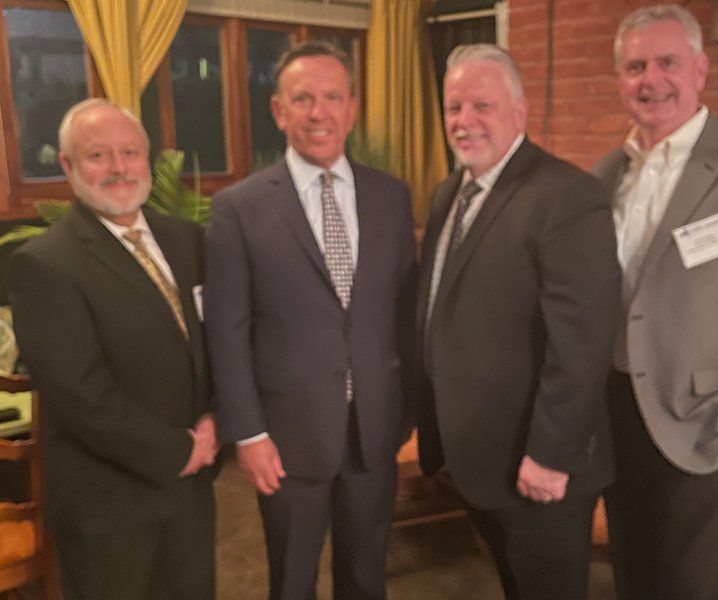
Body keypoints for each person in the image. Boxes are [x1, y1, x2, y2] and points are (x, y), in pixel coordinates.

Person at [595, 5, 718, 599]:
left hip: (702, 423)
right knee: (630, 573)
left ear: (700, 70)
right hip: (613, 415)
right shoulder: (605, 174)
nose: (651, 80)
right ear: (620, 79)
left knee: (690, 586)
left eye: (667, 62)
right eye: (635, 67)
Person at [203, 41, 416, 599]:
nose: (319, 112)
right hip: (285, 438)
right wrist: (249, 433)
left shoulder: (391, 197)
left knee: (366, 578)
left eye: (332, 97)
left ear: (352, 108)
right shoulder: (238, 208)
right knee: (292, 581)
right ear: (279, 111)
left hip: (374, 430)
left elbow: (404, 311)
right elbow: (227, 332)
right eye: (302, 99)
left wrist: (407, 410)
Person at [416, 44, 620, 600]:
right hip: (477, 458)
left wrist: (550, 456)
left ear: (519, 111)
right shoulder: (448, 194)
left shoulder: (568, 195)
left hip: (538, 464)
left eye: (482, 105)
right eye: (454, 107)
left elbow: (582, 343)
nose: (465, 120)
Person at [10, 98, 218, 600]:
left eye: (130, 152)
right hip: (109, 509)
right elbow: (80, 396)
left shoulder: (186, 240)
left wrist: (216, 417)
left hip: (189, 495)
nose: (119, 167)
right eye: (98, 155)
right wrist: (181, 451)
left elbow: (214, 342)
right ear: (68, 165)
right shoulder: (44, 263)